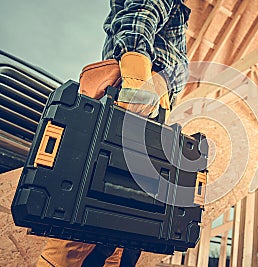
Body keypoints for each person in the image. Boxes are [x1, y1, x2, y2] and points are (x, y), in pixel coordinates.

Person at [36, 0, 191, 266]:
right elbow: (140, 14)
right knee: (83, 224)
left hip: (148, 108)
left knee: (118, 231)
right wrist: (137, 77)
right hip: (134, 100)